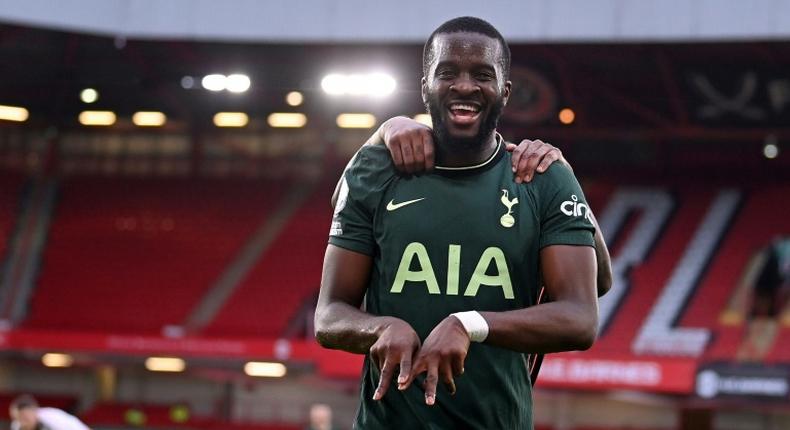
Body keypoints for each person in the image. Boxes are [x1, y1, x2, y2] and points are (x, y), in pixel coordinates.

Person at [315, 16, 609, 429]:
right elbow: (328, 316)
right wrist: (378, 327)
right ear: (424, 86)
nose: (465, 86)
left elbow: (581, 318)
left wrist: (470, 324)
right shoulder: (378, 169)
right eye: (447, 73)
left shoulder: (541, 175)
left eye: (482, 75)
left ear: (505, 92)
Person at [9, 395, 90, 430]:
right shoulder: (17, 425)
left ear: (35, 412)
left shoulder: (52, 418)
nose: (23, 422)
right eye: (19, 418)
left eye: (26, 417)